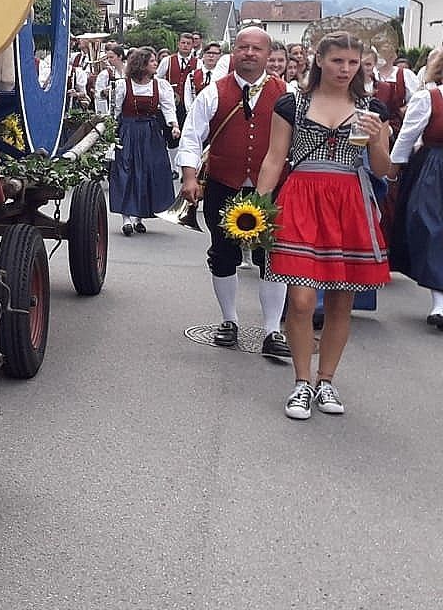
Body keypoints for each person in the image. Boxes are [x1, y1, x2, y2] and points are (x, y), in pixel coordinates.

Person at [256, 32, 393, 421]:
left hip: (349, 199)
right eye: (337, 61)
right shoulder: (292, 103)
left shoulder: (372, 107)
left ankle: (326, 380)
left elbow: (383, 170)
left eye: (353, 63)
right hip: (301, 198)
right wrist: (257, 207)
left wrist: (375, 138)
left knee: (340, 300)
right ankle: (301, 383)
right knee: (300, 301)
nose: (345, 69)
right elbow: (273, 158)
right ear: (319, 60)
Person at [175, 28, 290, 355]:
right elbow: (192, 137)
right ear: (233, 51)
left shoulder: (286, 94)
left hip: (271, 191)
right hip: (224, 186)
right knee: (223, 254)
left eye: (257, 48)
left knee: (271, 258)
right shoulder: (214, 92)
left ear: (269, 56)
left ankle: (272, 330)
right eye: (243, 47)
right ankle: (229, 320)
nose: (249, 53)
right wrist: (188, 177)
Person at [388, 46, 443, 327]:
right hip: (434, 168)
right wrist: (391, 171)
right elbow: (406, 139)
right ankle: (439, 304)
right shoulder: (428, 98)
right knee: (431, 228)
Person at [109, 46, 179, 234]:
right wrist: (110, 133)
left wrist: (174, 125)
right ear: (142, 64)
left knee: (150, 171)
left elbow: (167, 107)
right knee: (127, 171)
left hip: (150, 133)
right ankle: (126, 218)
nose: (156, 64)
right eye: (152, 61)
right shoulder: (124, 85)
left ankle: (139, 217)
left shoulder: (160, 85)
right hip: (128, 132)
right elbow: (115, 111)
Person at [160, 31, 202, 126]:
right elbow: (157, 79)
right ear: (178, 44)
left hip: (189, 106)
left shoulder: (198, 63)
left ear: (192, 46)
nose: (185, 46)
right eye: (183, 43)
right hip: (171, 105)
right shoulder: (167, 61)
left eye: (188, 43)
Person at [183, 42, 223, 112]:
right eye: (208, 53)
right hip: (197, 114)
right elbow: (188, 99)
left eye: (215, 53)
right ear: (203, 55)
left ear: (220, 56)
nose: (211, 55)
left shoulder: (223, 76)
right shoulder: (191, 76)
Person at [91, 45, 125, 115]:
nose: (109, 60)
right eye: (108, 57)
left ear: (120, 56)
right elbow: (98, 95)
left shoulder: (130, 72)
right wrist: (104, 92)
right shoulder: (105, 74)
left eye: (111, 57)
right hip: (111, 109)